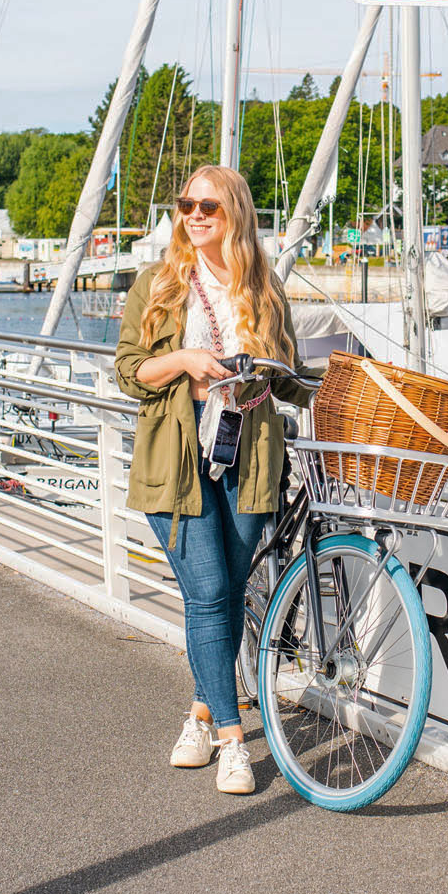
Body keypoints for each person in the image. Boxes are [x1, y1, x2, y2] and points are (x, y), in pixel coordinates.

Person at [114, 165, 312, 795]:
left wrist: (277, 373)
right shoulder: (159, 282)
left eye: (209, 206)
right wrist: (185, 360)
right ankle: (232, 740)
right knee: (205, 593)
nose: (194, 215)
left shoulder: (264, 287)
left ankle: (199, 716)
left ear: (235, 214)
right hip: (177, 456)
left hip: (250, 454)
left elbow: (290, 377)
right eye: (186, 205)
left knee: (225, 592)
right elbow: (127, 371)